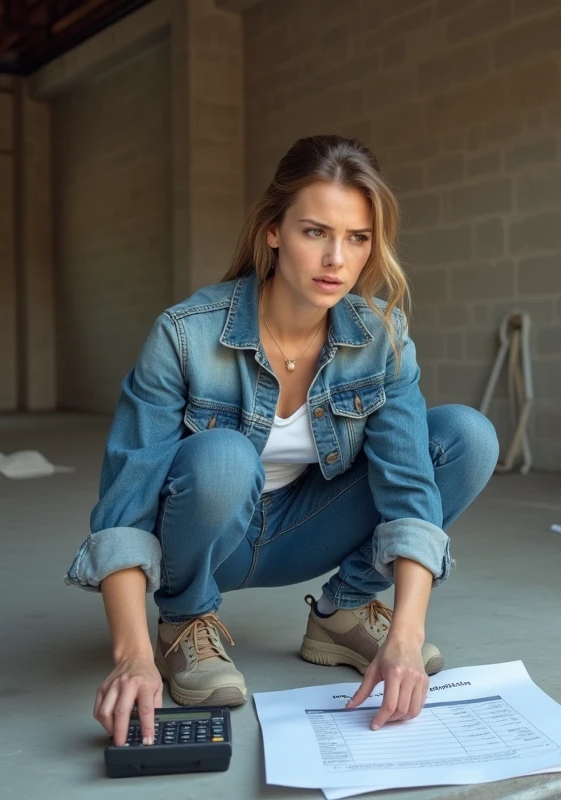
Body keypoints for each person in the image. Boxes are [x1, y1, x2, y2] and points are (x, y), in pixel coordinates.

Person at [64, 134, 500, 747]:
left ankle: (345, 612)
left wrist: (407, 635)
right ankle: (183, 624)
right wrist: (132, 655)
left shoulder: (380, 334)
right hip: (206, 541)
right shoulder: (185, 335)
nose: (337, 259)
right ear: (273, 230)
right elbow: (125, 508)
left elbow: (408, 484)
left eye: (358, 237)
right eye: (315, 232)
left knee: (466, 437)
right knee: (224, 457)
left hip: (305, 531)